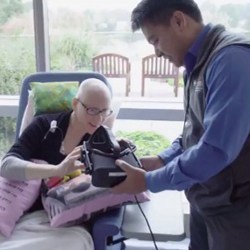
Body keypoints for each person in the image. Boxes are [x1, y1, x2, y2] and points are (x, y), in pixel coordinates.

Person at [112, 1, 250, 250]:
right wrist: (162, 159)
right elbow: (195, 132)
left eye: (155, 40)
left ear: (178, 21)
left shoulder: (231, 60)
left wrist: (148, 181)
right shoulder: (196, 63)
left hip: (237, 210)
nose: (156, 52)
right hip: (207, 199)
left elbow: (215, 150)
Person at [0, 78, 113, 249]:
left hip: (67, 224)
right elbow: (6, 166)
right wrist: (56, 170)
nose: (99, 118)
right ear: (75, 104)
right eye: (92, 110)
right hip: (23, 218)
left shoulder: (102, 143)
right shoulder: (43, 126)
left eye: (105, 111)